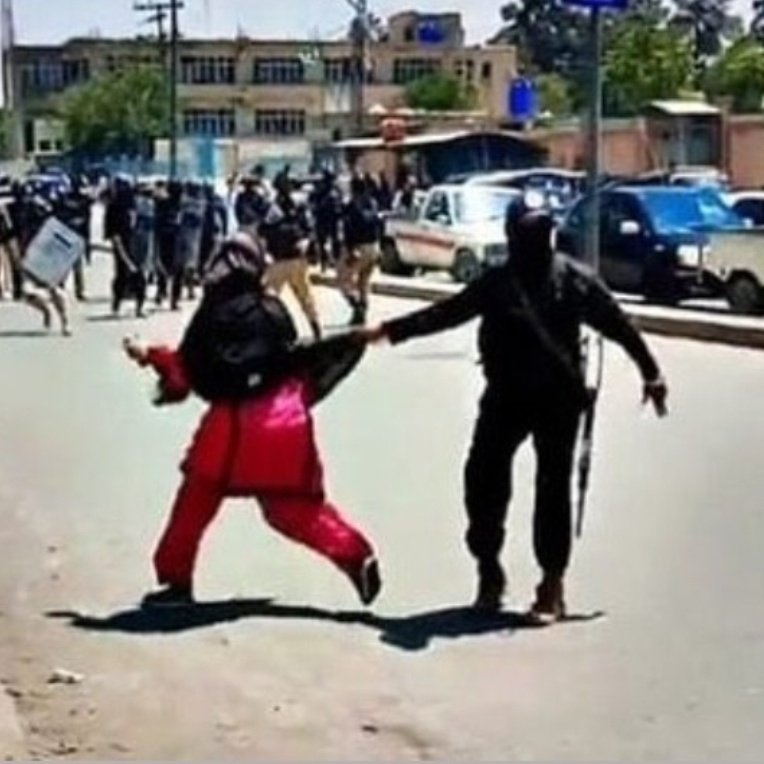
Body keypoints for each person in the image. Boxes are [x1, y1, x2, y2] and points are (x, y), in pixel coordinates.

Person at [359, 203, 669, 622]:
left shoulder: (574, 280)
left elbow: (618, 325)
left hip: (558, 400)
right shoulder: (499, 283)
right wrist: (391, 332)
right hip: (505, 398)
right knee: (482, 479)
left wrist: (651, 373)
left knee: (552, 488)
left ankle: (551, 585)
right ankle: (489, 570)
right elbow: (448, 313)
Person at [123, 232, 381, 608]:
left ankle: (175, 583)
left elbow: (189, 372)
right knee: (293, 510)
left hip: (229, 430)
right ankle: (355, 554)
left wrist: (150, 356)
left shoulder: (211, 314)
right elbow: (290, 362)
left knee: (194, 504)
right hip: (284, 423)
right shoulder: (274, 311)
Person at [261, 175, 322, 340]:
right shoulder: (297, 205)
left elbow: (265, 230)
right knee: (304, 296)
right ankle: (315, 327)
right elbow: (310, 229)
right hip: (294, 259)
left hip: (282, 260)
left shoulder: (274, 208)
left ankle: (269, 333)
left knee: (269, 298)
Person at [339, 175, 382, 326]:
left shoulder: (352, 205)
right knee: (364, 281)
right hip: (374, 246)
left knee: (344, 281)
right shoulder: (373, 203)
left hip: (358, 247)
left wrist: (350, 250)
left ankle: (358, 307)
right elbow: (379, 225)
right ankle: (361, 312)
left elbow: (348, 229)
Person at [105, 177, 143, 318]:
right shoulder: (114, 208)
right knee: (122, 276)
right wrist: (125, 258)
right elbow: (115, 237)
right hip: (122, 248)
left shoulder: (133, 206)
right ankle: (116, 306)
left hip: (137, 247)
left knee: (140, 277)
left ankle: (139, 308)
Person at [154, 179, 181, 308]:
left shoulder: (161, 203)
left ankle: (161, 292)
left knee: (164, 267)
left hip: (164, 237)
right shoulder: (179, 205)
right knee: (175, 269)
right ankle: (173, 298)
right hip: (175, 239)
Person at [309, 169, 343, 272]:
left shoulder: (335, 190)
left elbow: (340, 203)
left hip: (332, 219)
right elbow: (312, 202)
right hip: (323, 219)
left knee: (334, 242)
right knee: (324, 242)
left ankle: (333, 263)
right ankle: (325, 264)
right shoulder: (322, 189)